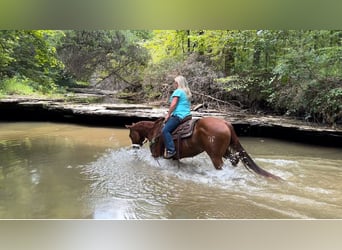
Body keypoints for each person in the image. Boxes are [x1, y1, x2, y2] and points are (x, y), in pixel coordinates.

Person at [162, 75, 192, 159]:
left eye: (175, 82)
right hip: (187, 115)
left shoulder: (178, 91)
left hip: (179, 115)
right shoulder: (186, 92)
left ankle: (171, 150)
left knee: (165, 130)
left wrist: (168, 114)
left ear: (177, 83)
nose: (174, 84)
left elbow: (174, 104)